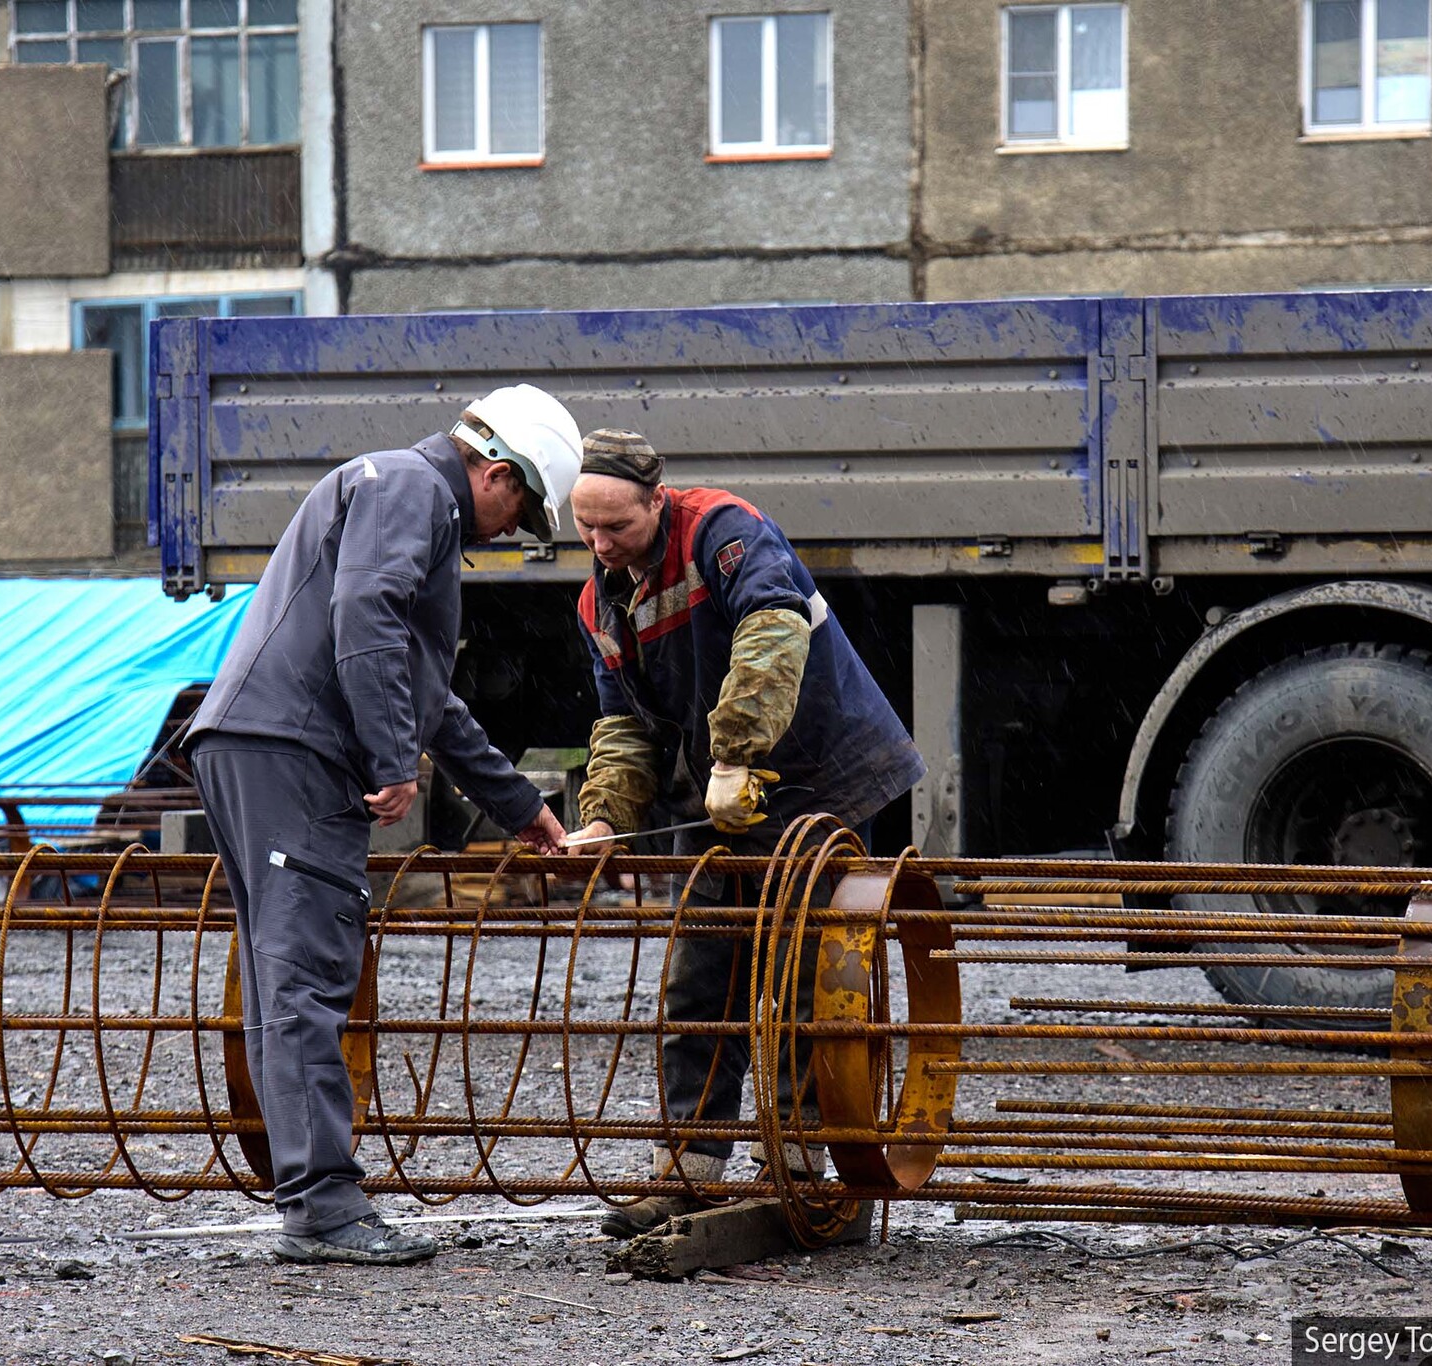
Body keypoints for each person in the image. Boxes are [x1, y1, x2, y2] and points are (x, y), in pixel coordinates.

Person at [188, 385, 577, 1264]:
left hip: (261, 744)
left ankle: (311, 1191)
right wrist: (391, 758)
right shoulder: (411, 489)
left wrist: (523, 810)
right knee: (307, 975)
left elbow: (427, 690)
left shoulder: (401, 498)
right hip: (293, 751)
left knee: (284, 971)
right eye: (520, 511)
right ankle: (322, 1207)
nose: (509, 532)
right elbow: (364, 620)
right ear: (497, 472)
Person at [561, 429, 926, 1236]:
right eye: (586, 527)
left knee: (802, 972)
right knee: (702, 970)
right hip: (731, 791)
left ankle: (797, 1166)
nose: (600, 542)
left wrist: (735, 753)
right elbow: (625, 729)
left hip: (818, 772)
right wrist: (603, 818)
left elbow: (772, 629)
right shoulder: (601, 603)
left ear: (657, 501)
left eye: (616, 525)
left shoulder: (725, 533)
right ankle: (691, 1167)